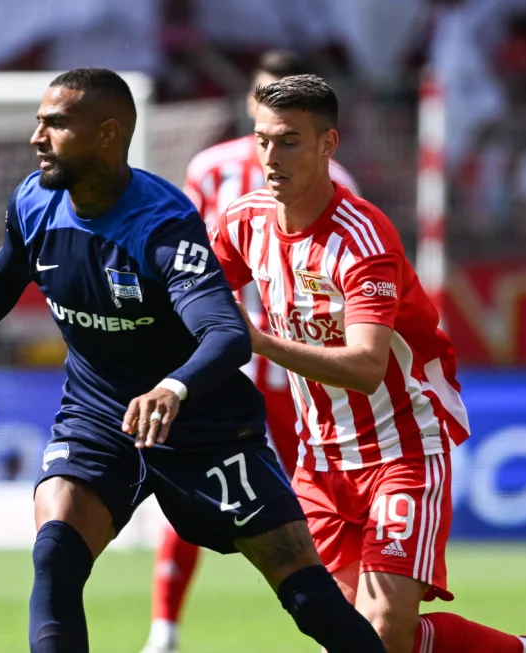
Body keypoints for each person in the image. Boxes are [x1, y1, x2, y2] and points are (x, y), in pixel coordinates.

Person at [0, 67, 387, 653]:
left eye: (56, 124)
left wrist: (173, 387)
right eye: (40, 122)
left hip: (203, 426)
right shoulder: (35, 200)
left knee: (304, 591)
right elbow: (2, 276)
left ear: (107, 134)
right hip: (99, 417)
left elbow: (225, 334)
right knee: (55, 554)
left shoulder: (163, 223)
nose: (37, 137)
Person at [209, 74, 526, 653]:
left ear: (329, 145)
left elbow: (366, 365)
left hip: (402, 446)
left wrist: (261, 343)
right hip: (320, 459)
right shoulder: (245, 220)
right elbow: (203, 288)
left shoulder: (363, 240)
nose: (270, 157)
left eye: (290, 141)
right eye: (263, 139)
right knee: (360, 637)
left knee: (381, 627)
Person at [141, 49, 362, 653]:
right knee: (196, 487)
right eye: (265, 95)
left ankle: (343, 619)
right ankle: (164, 628)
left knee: (313, 499)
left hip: (294, 371)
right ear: (250, 101)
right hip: (217, 363)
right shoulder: (210, 169)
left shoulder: (339, 185)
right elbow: (183, 254)